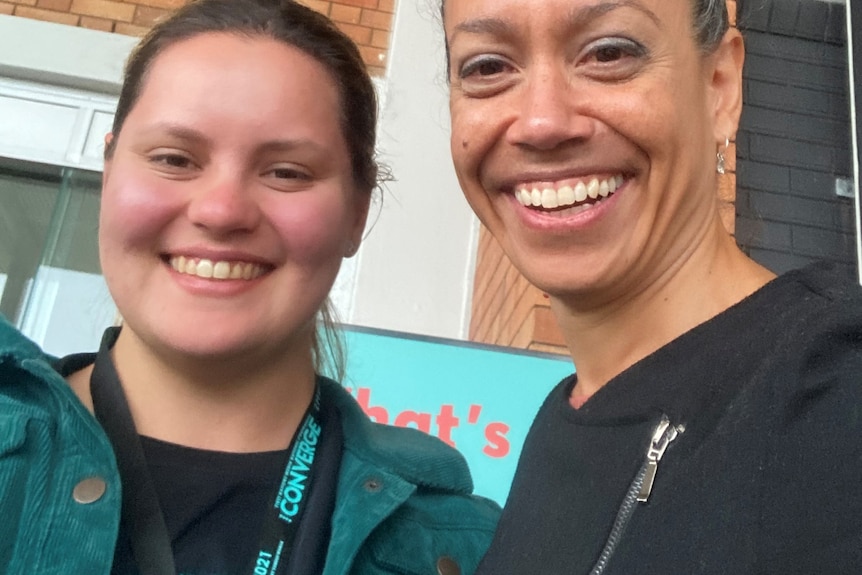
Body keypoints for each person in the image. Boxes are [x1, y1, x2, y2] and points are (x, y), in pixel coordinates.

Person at [0, 0, 499, 573]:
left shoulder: (469, 547)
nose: (221, 210)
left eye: (286, 172)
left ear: (357, 214)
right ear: (109, 171)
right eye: (174, 158)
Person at [442, 0, 862, 573]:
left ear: (720, 87)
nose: (541, 122)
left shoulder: (836, 392)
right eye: (487, 67)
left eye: (609, 52)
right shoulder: (559, 425)